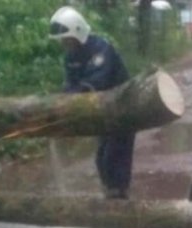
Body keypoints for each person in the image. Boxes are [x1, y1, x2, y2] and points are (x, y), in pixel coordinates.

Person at [49, 6, 135, 199]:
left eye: (67, 39)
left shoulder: (101, 49)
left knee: (114, 156)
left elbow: (95, 83)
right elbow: (71, 83)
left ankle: (119, 196)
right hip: (103, 112)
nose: (64, 43)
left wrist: (74, 95)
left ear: (78, 32)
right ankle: (111, 194)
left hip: (123, 109)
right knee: (101, 158)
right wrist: (62, 99)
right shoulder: (71, 56)